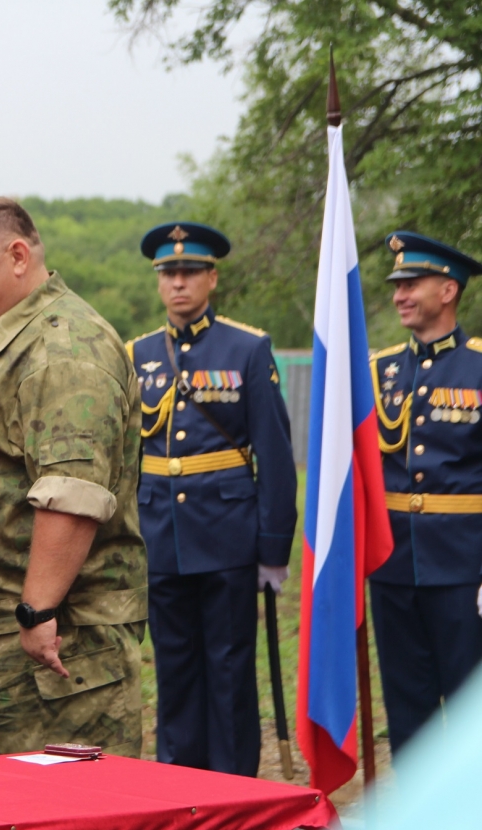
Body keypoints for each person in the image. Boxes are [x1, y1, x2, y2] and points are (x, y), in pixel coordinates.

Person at [0, 196, 146, 758]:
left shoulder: (64, 348)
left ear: (18, 256)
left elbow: (72, 495)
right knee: (5, 808)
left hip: (53, 636)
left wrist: (37, 611)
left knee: (72, 810)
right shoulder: (7, 336)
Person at [126, 222, 297, 776]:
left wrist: (274, 547)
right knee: (174, 669)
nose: (178, 283)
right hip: (159, 536)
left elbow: (274, 454)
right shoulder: (138, 354)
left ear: (211, 278)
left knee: (228, 669)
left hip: (227, 535)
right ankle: (179, 784)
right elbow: (128, 458)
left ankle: (231, 790)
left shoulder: (247, 348)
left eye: (189, 272)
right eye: (168, 273)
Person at [367, 231, 482, 755]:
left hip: (463, 567)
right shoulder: (378, 371)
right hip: (393, 565)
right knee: (406, 707)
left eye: (413, 283)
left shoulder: (479, 367)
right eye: (397, 285)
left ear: (449, 289)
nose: (400, 295)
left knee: (467, 709)